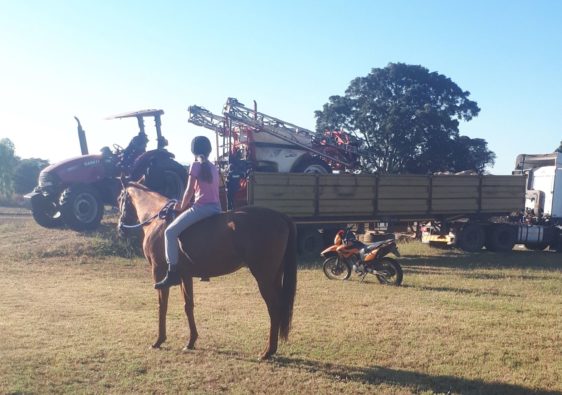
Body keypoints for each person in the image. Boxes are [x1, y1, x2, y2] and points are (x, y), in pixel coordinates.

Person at [154, 136, 221, 289]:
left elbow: (189, 189)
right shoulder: (212, 167)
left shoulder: (195, 165)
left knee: (169, 232)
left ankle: (172, 273)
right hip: (216, 207)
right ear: (209, 150)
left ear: (193, 151)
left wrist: (181, 206)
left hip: (202, 208)